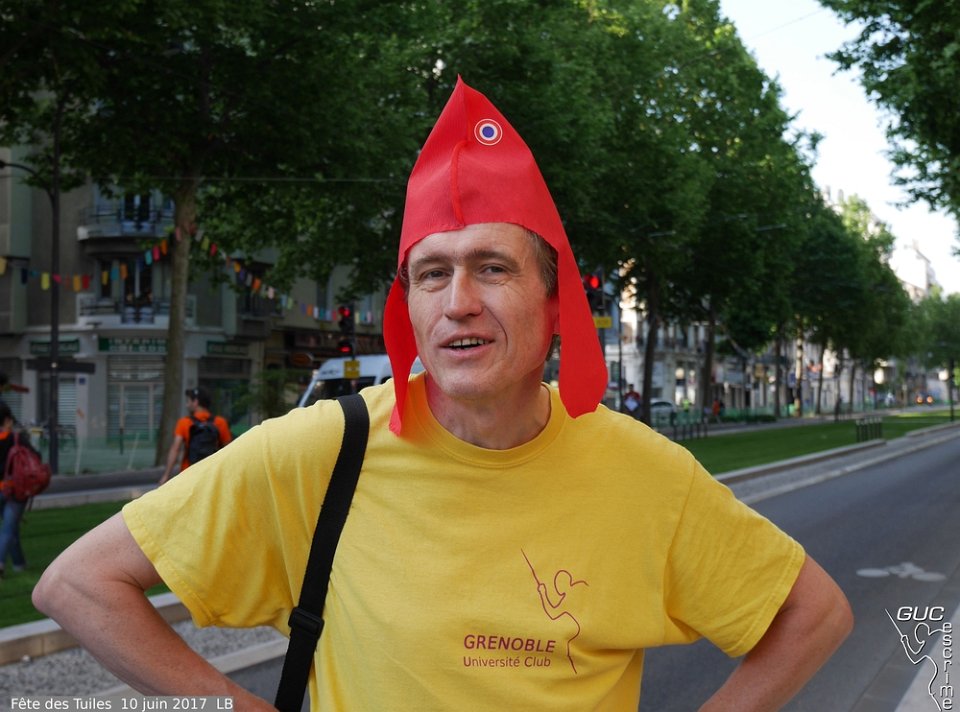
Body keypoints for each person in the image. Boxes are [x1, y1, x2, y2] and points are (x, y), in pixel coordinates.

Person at [34, 78, 852, 710]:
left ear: (553, 303)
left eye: (492, 267)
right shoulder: (326, 449)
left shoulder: (646, 473)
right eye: (432, 274)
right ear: (410, 309)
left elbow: (813, 613)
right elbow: (77, 585)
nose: (459, 301)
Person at [157, 387, 232, 485]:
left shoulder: (184, 422)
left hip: (189, 473)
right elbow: (228, 450)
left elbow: (175, 449)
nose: (187, 405)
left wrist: (166, 475)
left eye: (188, 401)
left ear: (195, 402)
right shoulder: (220, 422)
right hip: (212, 474)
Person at [0, 401, 36, 579]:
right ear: (7, 420)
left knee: (11, 527)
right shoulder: (16, 439)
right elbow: (35, 458)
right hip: (16, 490)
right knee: (8, 529)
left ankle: (19, 563)